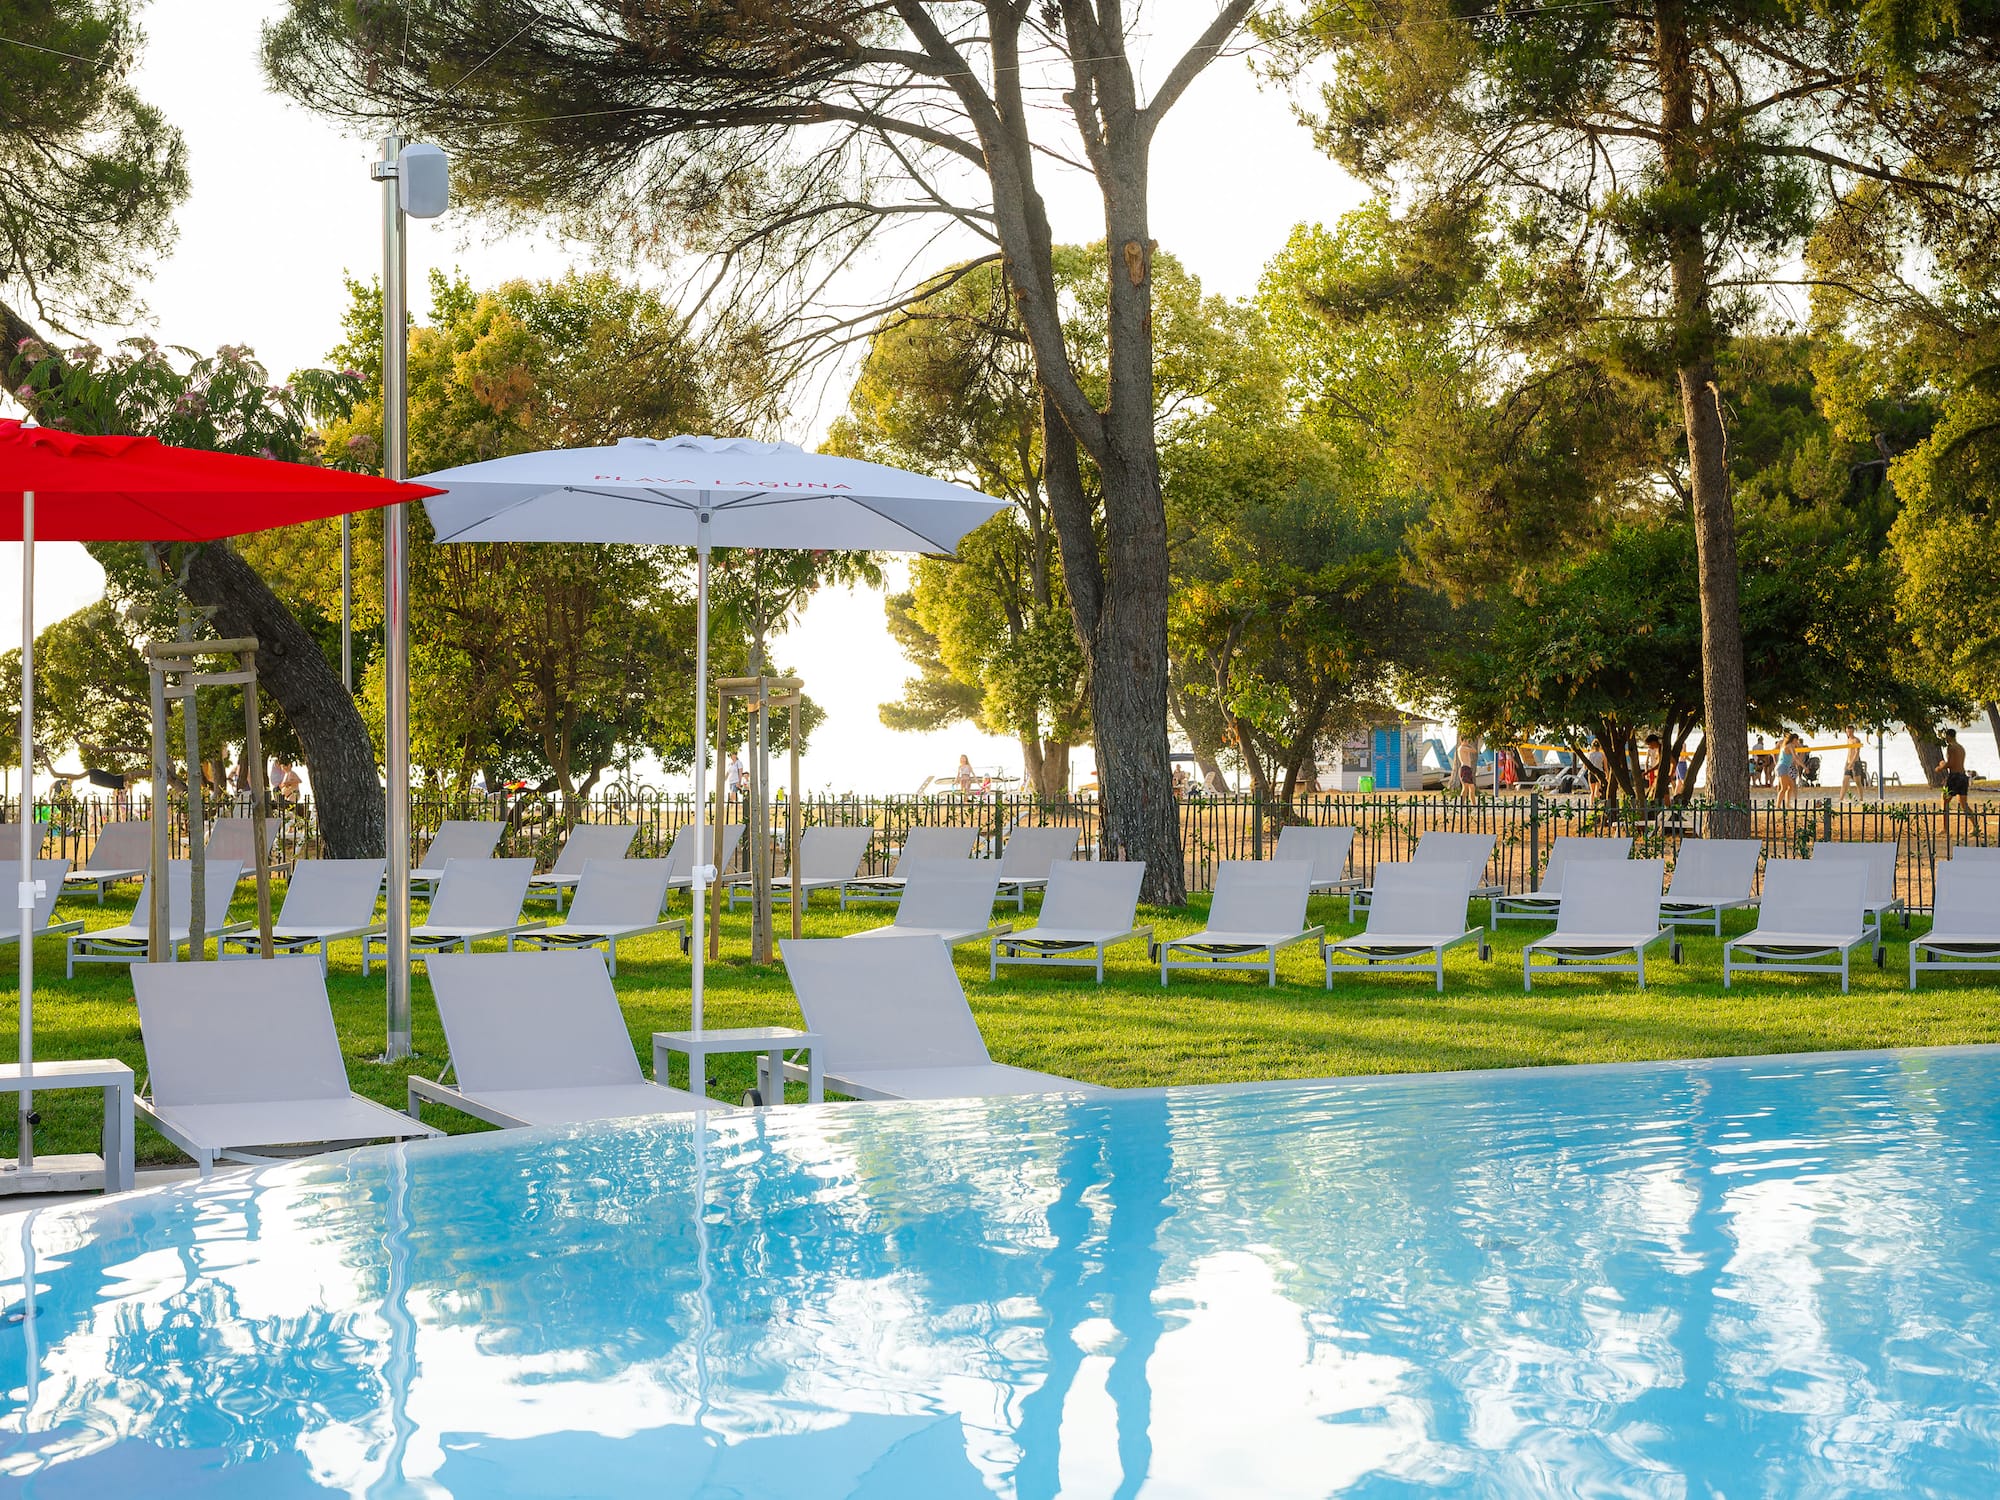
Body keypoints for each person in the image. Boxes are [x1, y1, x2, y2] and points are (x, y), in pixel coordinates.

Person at [1938, 728, 1971, 813]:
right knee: (1964, 805)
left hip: (1955, 777)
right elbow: (1956, 762)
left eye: (1946, 737)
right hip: (1963, 777)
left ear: (1949, 736)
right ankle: (1976, 825)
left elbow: (1950, 764)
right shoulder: (1961, 748)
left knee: (1945, 801)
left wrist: (1940, 767)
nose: (1945, 739)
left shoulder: (1951, 747)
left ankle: (1945, 826)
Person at [1773, 732, 1799, 808]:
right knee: (1784, 788)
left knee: (1790, 786)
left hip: (1783, 768)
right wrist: (1804, 767)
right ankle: (1777, 806)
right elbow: (1795, 757)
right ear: (1794, 740)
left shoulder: (1788, 745)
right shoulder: (1790, 745)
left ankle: (1787, 804)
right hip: (1782, 767)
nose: (1797, 742)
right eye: (1797, 740)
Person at [1840, 727, 1865, 799]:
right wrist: (1846, 764)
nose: (1848, 733)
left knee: (1858, 782)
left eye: (1850, 732)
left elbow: (1857, 753)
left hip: (1855, 763)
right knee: (1844, 781)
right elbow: (1849, 753)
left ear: (1853, 731)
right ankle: (1841, 799)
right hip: (1849, 762)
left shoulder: (1856, 740)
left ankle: (1861, 798)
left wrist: (1852, 763)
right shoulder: (1848, 740)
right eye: (1847, 732)